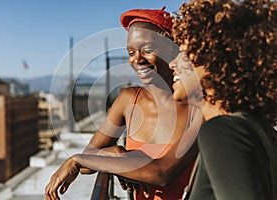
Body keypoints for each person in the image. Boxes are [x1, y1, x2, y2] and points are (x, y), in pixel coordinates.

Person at [45, 7, 201, 200]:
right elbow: (87, 166)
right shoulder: (128, 100)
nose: (137, 60)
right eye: (131, 52)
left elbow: (162, 174)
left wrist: (116, 159)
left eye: (147, 50)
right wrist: (116, 153)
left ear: (172, 49)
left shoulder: (197, 110)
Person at [170, 0, 277, 199]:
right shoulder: (258, 127)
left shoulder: (223, 131)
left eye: (183, 54)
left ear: (216, 57)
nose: (172, 64)